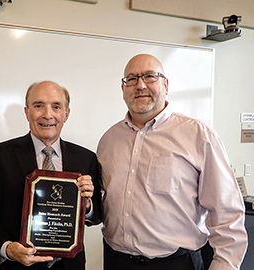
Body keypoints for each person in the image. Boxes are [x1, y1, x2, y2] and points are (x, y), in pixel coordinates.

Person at [97, 54, 247, 270]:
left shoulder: (198, 136)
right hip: (116, 261)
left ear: (165, 85)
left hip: (177, 263)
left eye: (149, 76)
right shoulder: (108, 140)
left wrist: (224, 265)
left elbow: (227, 212)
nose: (140, 85)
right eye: (131, 79)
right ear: (123, 89)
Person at [0, 80, 102, 270]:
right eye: (38, 106)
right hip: (14, 266)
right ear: (27, 112)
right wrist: (7, 249)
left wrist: (87, 204)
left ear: (66, 114)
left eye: (56, 106)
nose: (47, 115)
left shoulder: (85, 158)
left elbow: (96, 214)